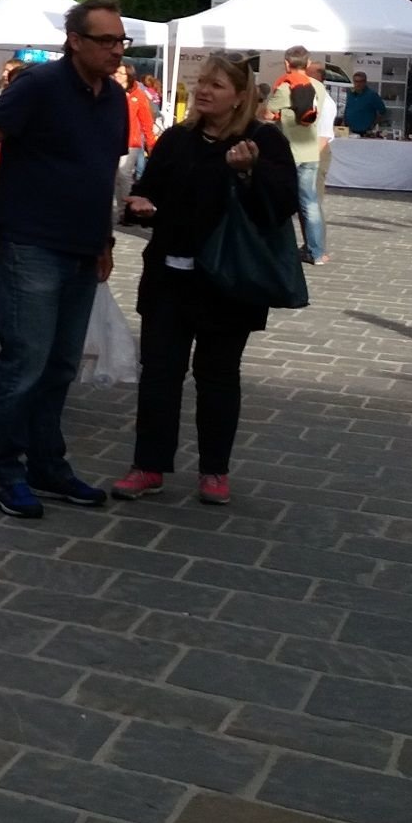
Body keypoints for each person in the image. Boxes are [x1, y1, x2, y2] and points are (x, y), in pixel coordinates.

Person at [0, 0, 130, 519]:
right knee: (26, 363)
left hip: (81, 248)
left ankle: (46, 463)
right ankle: (3, 470)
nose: (117, 50)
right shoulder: (39, 85)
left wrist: (104, 240)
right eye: (106, 40)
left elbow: (102, 173)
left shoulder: (115, 99)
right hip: (30, 245)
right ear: (75, 41)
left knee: (60, 366)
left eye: (121, 41)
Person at [113, 53, 298, 506]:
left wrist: (249, 172)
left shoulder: (262, 141)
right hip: (169, 277)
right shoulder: (178, 138)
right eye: (201, 82)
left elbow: (281, 206)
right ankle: (148, 465)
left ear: (239, 95)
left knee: (218, 376)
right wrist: (140, 205)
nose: (203, 91)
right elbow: (149, 189)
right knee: (159, 374)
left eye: (216, 85)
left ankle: (215, 470)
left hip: (228, 283)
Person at [264, 46, 328, 267]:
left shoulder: (285, 87)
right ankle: (316, 252)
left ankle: (275, 247)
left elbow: (266, 114)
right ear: (308, 64)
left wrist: (281, 115)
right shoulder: (319, 87)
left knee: (277, 200)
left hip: (288, 152)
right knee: (310, 203)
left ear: (286, 63)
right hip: (310, 151)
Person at [116, 61, 159, 206]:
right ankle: (115, 211)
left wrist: (151, 144)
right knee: (112, 177)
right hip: (111, 141)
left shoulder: (138, 95)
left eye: (121, 73)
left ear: (128, 76)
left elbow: (146, 121)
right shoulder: (109, 91)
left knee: (124, 174)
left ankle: (126, 208)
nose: (117, 75)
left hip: (131, 142)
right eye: (116, 72)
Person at [343, 71, 388, 137]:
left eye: (361, 81)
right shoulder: (350, 94)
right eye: (356, 81)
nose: (358, 84)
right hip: (349, 131)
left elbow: (382, 111)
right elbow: (347, 109)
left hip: (365, 132)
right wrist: (344, 122)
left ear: (365, 82)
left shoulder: (372, 95)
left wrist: (373, 124)